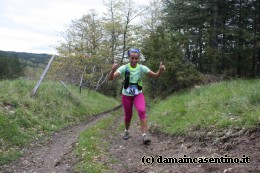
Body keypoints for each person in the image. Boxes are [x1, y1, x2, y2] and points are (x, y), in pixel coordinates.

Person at [108, 48, 166, 144]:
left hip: (138, 94)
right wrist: (112, 70)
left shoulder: (142, 68)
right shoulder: (124, 68)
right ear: (129, 58)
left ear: (139, 59)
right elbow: (111, 78)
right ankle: (126, 131)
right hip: (126, 95)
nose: (134, 60)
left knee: (142, 111)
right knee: (128, 115)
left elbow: (155, 76)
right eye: (132, 58)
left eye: (136, 58)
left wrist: (160, 70)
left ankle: (144, 135)